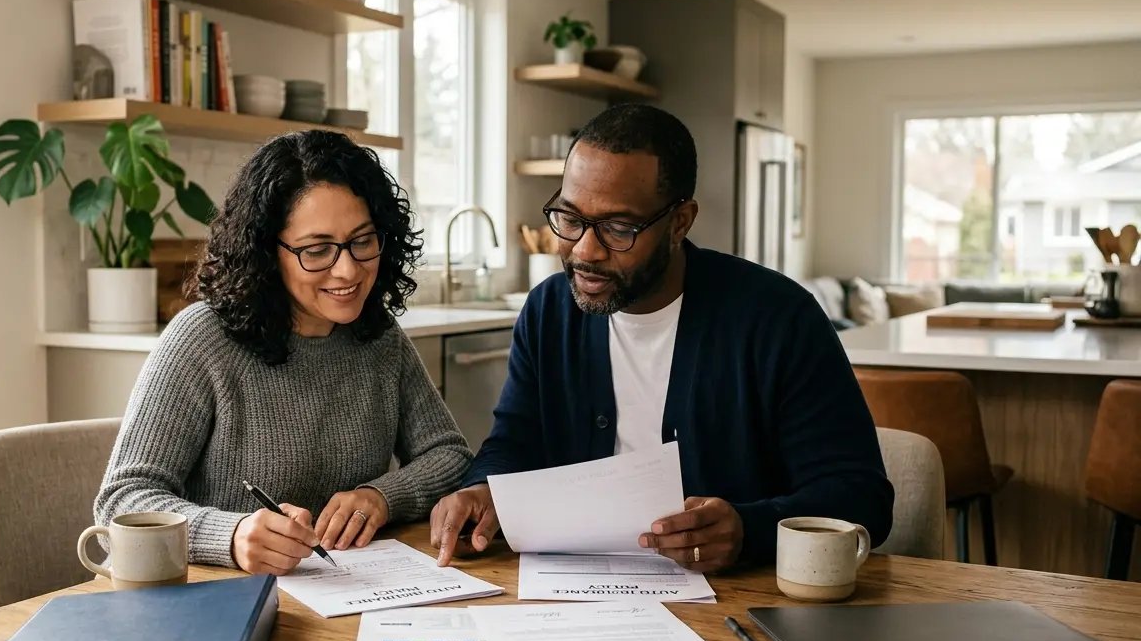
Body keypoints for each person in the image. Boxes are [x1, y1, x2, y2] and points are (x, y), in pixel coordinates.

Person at [429, 104, 893, 572]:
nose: (585, 251)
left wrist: (749, 530)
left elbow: (860, 495)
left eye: (618, 228)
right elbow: (516, 440)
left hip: (739, 602)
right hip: (576, 591)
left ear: (679, 222)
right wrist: (484, 487)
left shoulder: (778, 319)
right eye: (569, 219)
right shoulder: (550, 310)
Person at [95, 130, 472, 576]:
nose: (348, 269)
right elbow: (122, 499)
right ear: (267, 252)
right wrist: (231, 536)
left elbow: (449, 457)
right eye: (317, 250)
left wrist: (382, 497)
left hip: (343, 593)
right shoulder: (201, 339)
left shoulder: (379, 337)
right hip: (219, 602)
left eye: (363, 241)